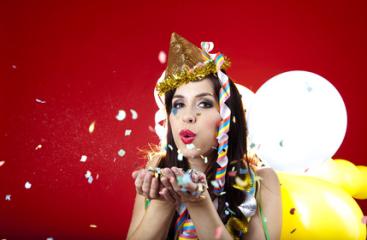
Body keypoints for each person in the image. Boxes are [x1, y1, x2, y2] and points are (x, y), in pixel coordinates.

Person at [127, 32, 282, 240]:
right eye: (179, 105)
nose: (188, 116)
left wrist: (198, 202)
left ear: (228, 116)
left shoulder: (261, 180)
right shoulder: (156, 168)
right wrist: (163, 199)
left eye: (204, 103)